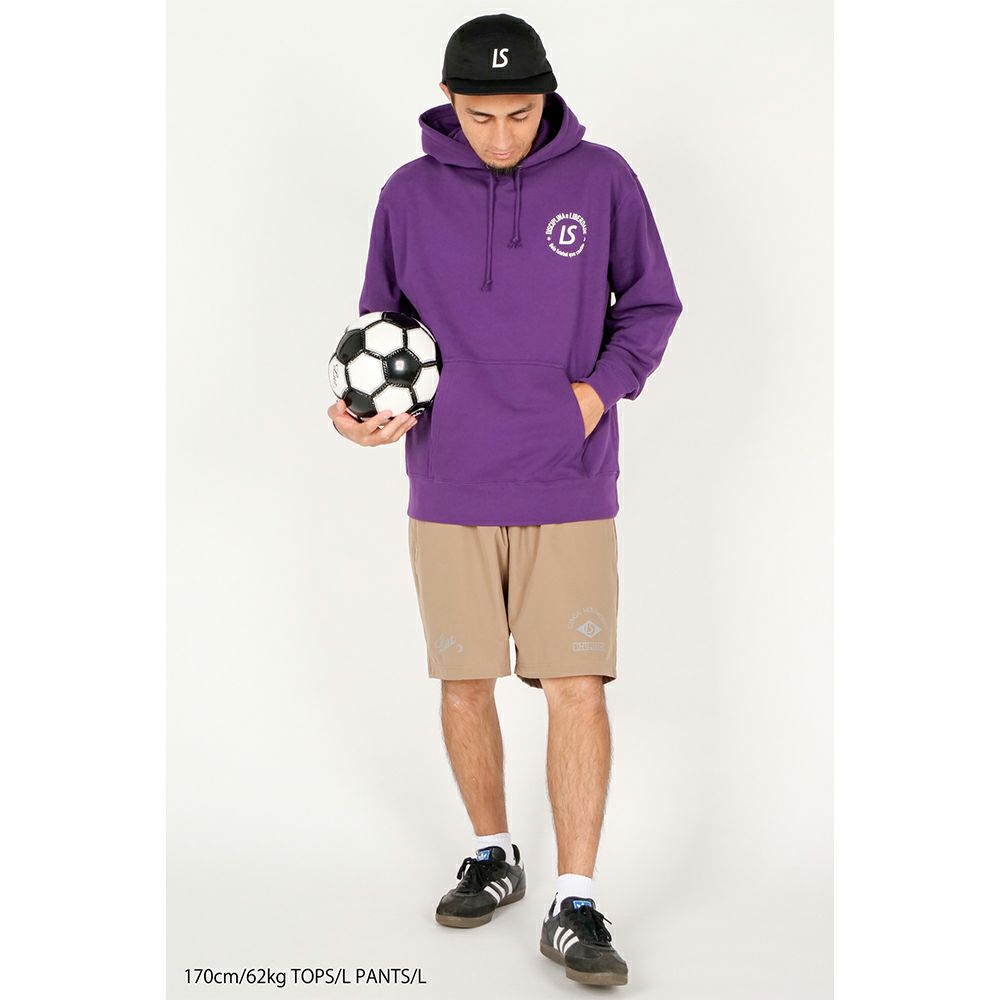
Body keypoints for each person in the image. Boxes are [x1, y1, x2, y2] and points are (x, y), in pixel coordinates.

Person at [328, 13, 682, 989]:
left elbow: (651, 304)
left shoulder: (602, 180)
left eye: (519, 114)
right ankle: (493, 853)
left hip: (568, 478)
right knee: (463, 680)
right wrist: (357, 410)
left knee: (577, 684)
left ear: (547, 97)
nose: (500, 135)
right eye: (480, 116)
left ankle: (576, 900)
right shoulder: (406, 195)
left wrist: (591, 397)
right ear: (449, 101)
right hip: (449, 479)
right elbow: (381, 333)